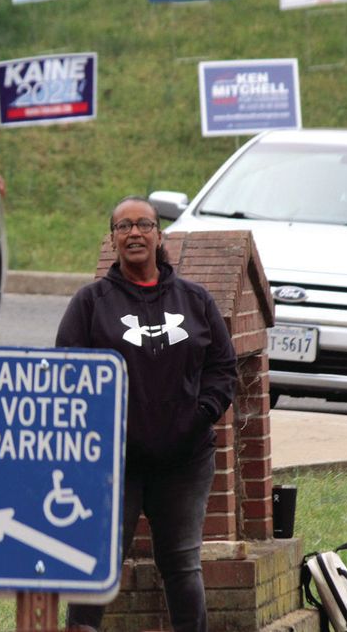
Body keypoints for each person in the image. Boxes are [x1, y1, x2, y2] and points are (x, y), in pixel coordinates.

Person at [56, 196, 237, 632]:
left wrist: (200, 415)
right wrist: (103, 429)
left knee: (181, 562)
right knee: (97, 562)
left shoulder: (195, 300)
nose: (134, 233)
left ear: (159, 235)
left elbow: (223, 368)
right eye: (123, 227)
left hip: (185, 459)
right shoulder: (91, 303)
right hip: (113, 463)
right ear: (113, 239)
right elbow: (65, 371)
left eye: (143, 225)